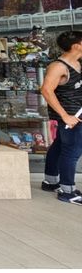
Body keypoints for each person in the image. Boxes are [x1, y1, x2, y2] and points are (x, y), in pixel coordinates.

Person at [40, 30, 82, 204]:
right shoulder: (59, 67)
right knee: (72, 151)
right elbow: (46, 90)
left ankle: (50, 181)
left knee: (59, 145)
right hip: (70, 117)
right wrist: (65, 116)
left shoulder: (77, 63)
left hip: (77, 113)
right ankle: (67, 191)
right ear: (76, 46)